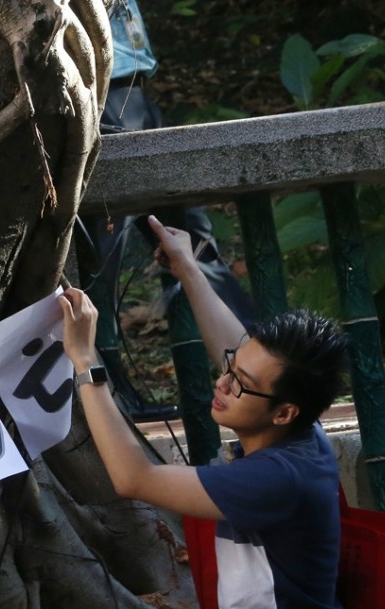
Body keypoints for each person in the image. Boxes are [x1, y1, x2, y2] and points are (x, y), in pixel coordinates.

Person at [59, 215, 359, 609]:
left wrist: (85, 361)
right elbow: (236, 350)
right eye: (231, 368)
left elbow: (133, 477)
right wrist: (189, 269)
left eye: (239, 384)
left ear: (284, 412)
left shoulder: (275, 479)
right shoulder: (298, 433)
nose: (222, 382)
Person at [81, 0, 255, 421]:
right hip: (95, 91)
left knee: (191, 240)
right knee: (99, 264)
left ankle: (258, 371)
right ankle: (110, 400)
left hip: (134, 90)